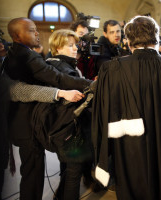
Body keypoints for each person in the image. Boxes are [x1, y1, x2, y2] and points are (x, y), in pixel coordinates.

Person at [92, 15, 161, 200]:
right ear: (157, 36)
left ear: (128, 40)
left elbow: (103, 113)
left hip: (129, 146)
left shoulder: (111, 69)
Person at [2, 17, 92, 200]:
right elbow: (55, 78)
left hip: (25, 122)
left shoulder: (16, 54)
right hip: (26, 124)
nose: (36, 33)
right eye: (31, 30)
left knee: (32, 172)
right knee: (32, 174)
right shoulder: (25, 55)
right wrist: (88, 85)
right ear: (17, 35)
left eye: (36, 29)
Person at [46, 29, 101, 199]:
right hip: (70, 126)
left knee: (69, 169)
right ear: (57, 48)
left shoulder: (56, 64)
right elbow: (76, 95)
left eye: (75, 44)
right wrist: (92, 86)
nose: (75, 48)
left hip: (64, 125)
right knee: (73, 173)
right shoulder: (62, 68)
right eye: (69, 45)